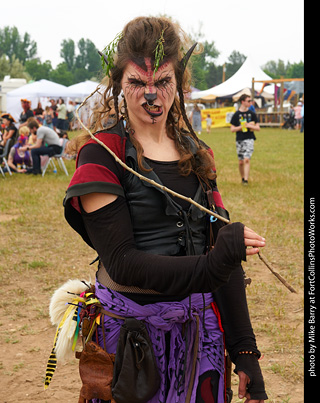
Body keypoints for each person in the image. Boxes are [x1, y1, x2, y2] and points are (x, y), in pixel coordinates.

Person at [60, 16, 268, 403]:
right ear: (119, 82)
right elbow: (122, 261)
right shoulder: (101, 154)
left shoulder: (199, 154)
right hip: (131, 343)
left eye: (163, 82)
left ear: (180, 82)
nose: (150, 95)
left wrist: (244, 351)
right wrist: (213, 264)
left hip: (199, 337)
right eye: (137, 82)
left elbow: (222, 256)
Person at [230, 94, 260, 185]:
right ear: (242, 102)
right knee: (240, 162)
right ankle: (242, 178)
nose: (250, 102)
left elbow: (258, 128)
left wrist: (249, 125)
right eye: (248, 101)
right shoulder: (236, 115)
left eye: (250, 101)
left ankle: (246, 180)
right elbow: (232, 129)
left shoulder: (252, 114)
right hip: (239, 139)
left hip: (249, 138)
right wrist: (241, 127)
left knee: (246, 159)